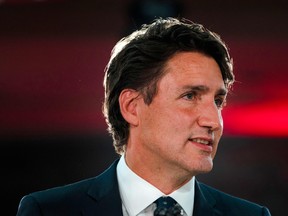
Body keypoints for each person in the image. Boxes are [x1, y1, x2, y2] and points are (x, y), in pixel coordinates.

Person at [16, 17, 271, 216]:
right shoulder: (48, 211)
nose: (213, 121)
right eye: (190, 96)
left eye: (218, 101)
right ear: (132, 106)